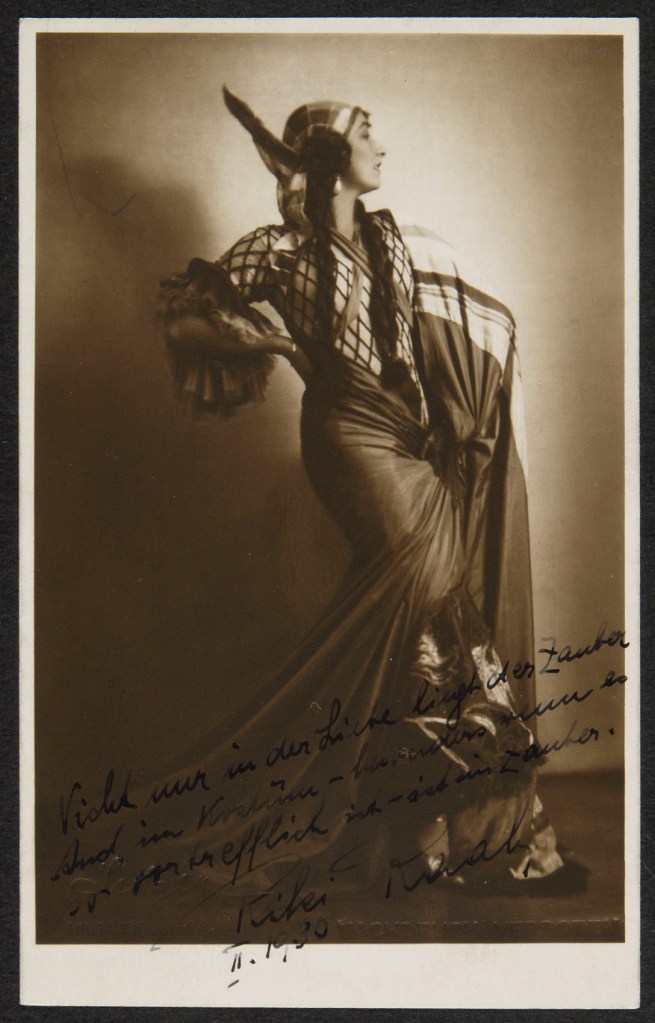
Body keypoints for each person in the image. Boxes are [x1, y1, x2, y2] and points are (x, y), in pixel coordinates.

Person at [112, 89, 588, 922]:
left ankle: (430, 839)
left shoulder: (390, 240)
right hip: (349, 441)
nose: (381, 147)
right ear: (330, 156)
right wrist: (273, 340)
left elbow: (437, 338)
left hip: (410, 442)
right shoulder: (278, 248)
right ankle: (459, 832)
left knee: (425, 623)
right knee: (432, 604)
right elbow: (186, 320)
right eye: (367, 133)